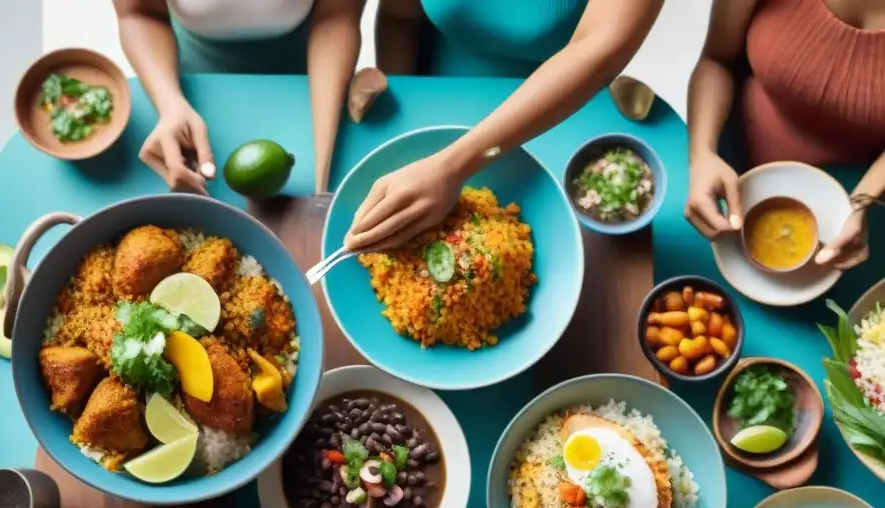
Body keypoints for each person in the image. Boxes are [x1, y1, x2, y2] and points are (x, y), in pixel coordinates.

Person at [341, 0, 664, 252]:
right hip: (437, 96)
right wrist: (403, 139)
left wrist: (454, 167)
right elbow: (401, 17)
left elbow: (598, 49)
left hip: (561, 114)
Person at [685, 0, 885, 269]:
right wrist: (701, 154)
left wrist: (861, 201)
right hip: (726, 162)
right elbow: (716, 60)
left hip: (861, 194)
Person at [113, 0, 362, 194]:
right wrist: (170, 104)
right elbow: (138, 13)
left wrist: (323, 168)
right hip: (186, 69)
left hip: (312, 66)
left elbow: (337, 16)